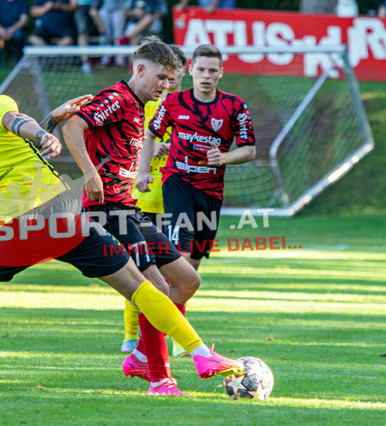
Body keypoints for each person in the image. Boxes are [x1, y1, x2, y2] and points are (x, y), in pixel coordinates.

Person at [0, 71, 245, 391]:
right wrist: (44, 132)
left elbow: (11, 150)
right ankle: (200, 354)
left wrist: (50, 123)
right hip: (64, 215)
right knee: (140, 287)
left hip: (23, 229)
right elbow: (15, 123)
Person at [62, 37, 211, 396]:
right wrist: (90, 174)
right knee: (155, 289)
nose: (165, 85)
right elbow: (72, 127)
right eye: (160, 77)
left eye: (170, 79)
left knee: (187, 281)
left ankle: (143, 355)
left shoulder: (139, 106)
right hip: (106, 212)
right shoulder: (116, 98)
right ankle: (160, 379)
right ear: (140, 69)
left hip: (129, 209)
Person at [135, 44, 256, 272]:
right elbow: (149, 135)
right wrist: (143, 172)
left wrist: (224, 157)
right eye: (201, 69)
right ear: (191, 70)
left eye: (212, 70)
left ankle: (173, 296)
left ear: (221, 72)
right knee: (180, 253)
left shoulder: (235, 106)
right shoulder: (173, 102)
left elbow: (249, 150)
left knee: (194, 260)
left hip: (211, 190)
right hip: (177, 181)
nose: (206, 76)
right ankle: (159, 296)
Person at [121, 44, 186, 355]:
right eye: (166, 74)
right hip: (143, 200)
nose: (171, 79)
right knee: (141, 271)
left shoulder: (187, 109)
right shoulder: (145, 105)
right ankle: (131, 336)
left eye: (176, 73)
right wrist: (148, 150)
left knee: (180, 274)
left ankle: (173, 335)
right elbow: (131, 144)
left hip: (175, 199)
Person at [0, 0, 27, 69]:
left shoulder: (21, 1)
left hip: (15, 28)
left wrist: (12, 29)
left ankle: (18, 61)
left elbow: (24, 19)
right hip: (0, 28)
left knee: (19, 36)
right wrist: (0, 30)